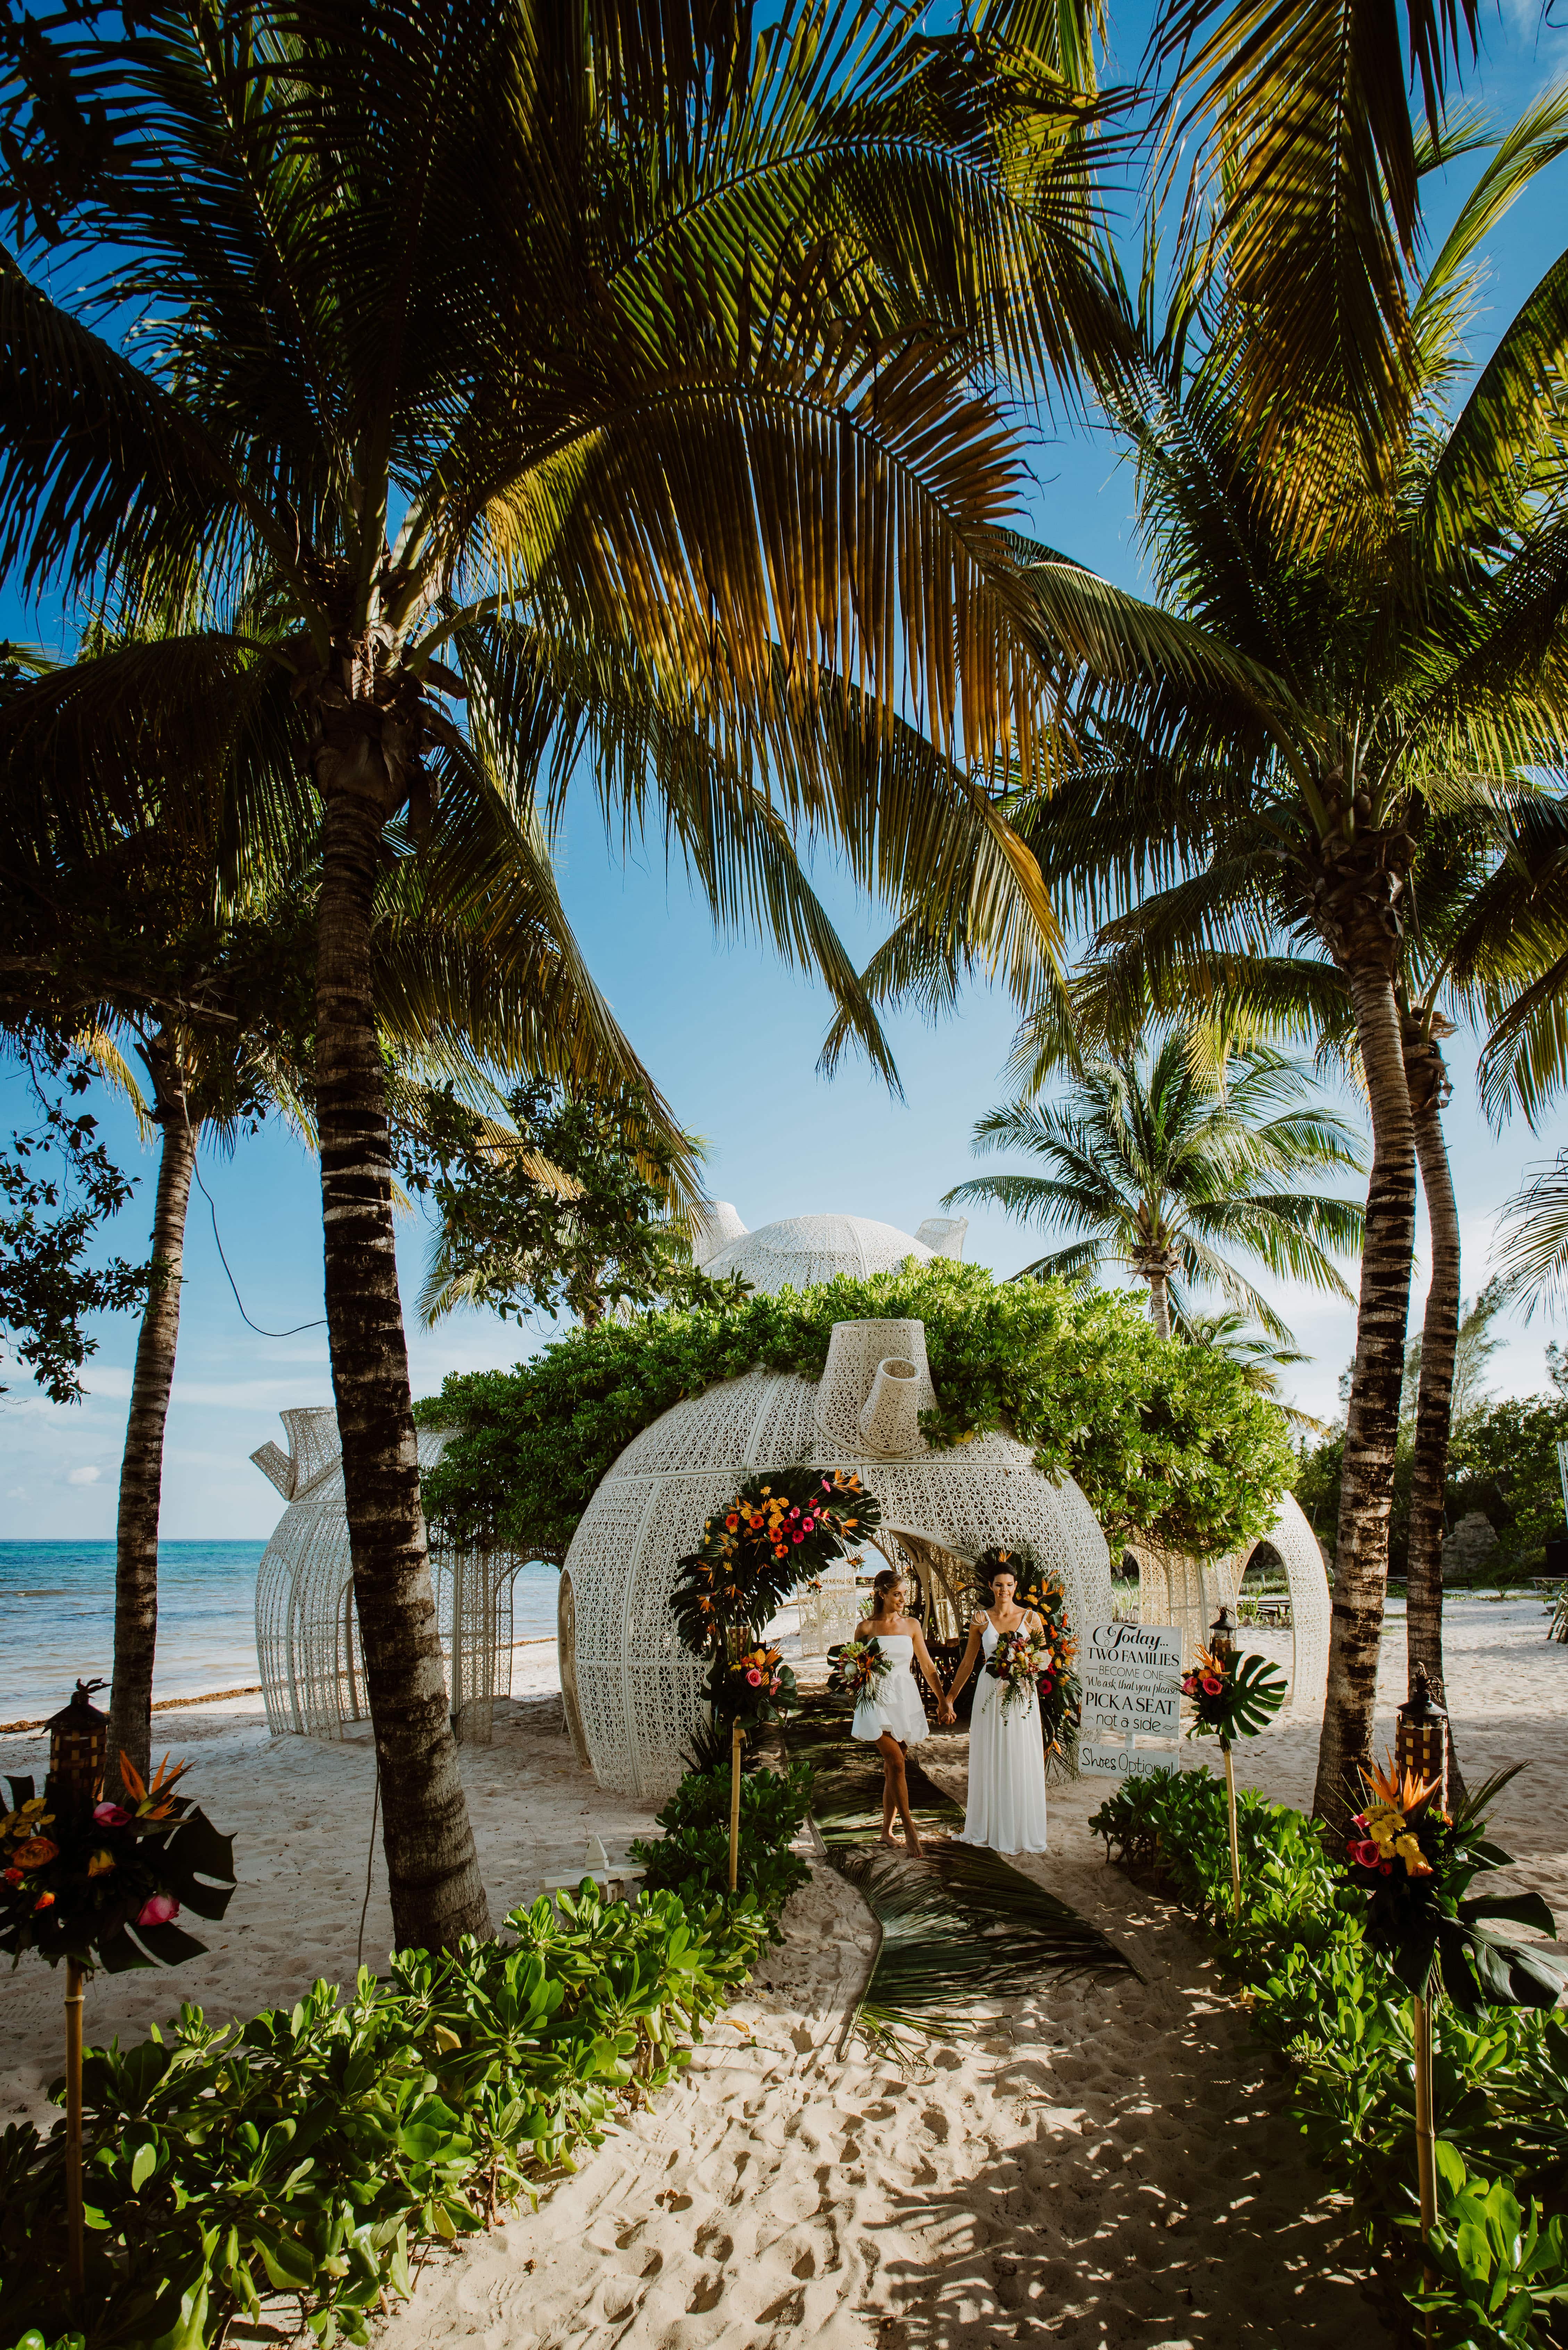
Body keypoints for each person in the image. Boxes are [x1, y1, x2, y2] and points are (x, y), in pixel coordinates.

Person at [940, 1564, 1051, 1854]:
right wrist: (950, 1698)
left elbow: (1043, 1658)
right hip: (989, 1695)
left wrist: (1025, 1665)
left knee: (1019, 1754)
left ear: (1016, 1586)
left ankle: (1019, 1829)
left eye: (1009, 1585)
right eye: (999, 1585)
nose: (1005, 1590)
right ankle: (988, 1826)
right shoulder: (980, 1620)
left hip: (1021, 1696)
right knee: (991, 1755)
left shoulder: (1031, 1618)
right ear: (990, 1586)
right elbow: (968, 1663)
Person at [850, 1566, 948, 1855]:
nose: (903, 1600)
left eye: (905, 1594)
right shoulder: (865, 1629)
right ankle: (910, 1830)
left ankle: (885, 1831)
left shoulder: (912, 1625)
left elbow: (928, 1667)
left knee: (893, 1768)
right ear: (881, 1594)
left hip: (903, 1700)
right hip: (875, 1700)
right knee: (897, 1764)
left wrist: (943, 1701)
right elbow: (853, 1668)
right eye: (897, 1595)